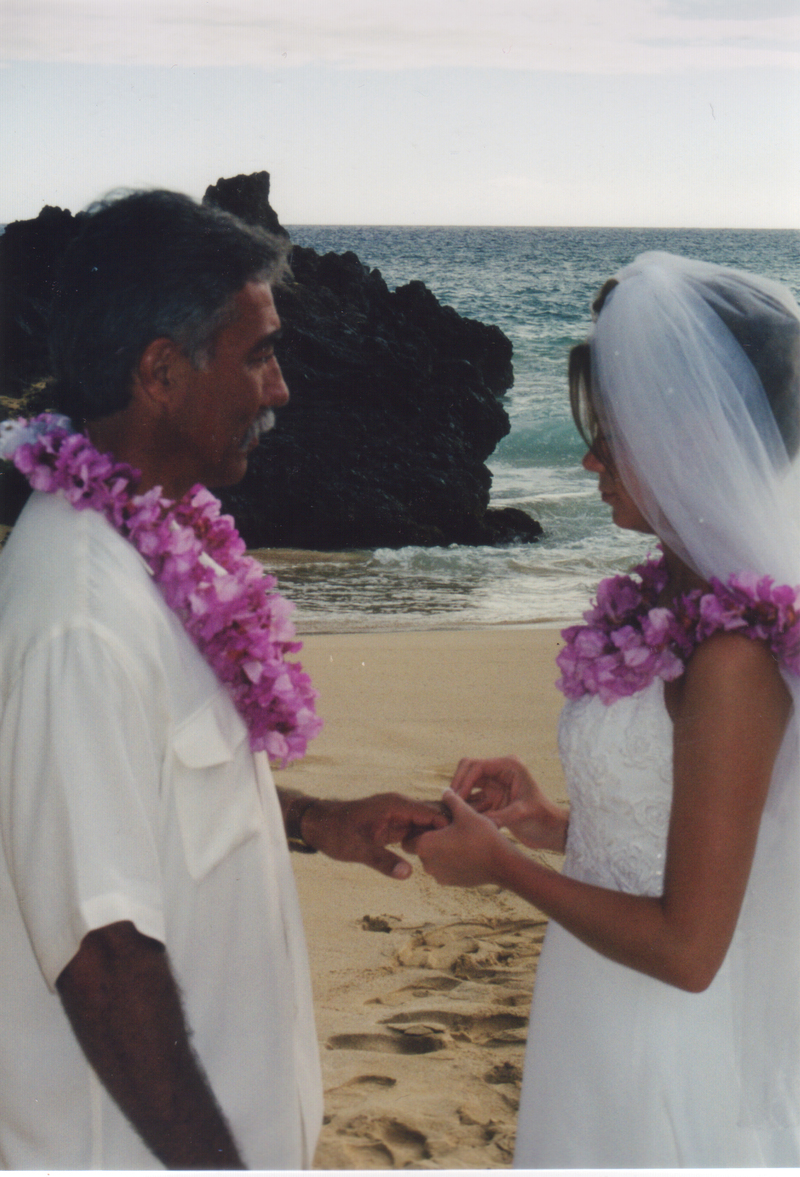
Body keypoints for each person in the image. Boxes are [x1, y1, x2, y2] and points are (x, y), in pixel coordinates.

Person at [0, 189, 446, 1170]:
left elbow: (145, 787)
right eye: (256, 354)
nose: (279, 389)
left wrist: (312, 819)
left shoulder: (148, 550)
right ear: (161, 371)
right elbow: (101, 956)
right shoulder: (80, 614)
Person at [406, 252, 800, 1167]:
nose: (589, 456)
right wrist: (549, 823)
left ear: (690, 436)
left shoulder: (735, 653)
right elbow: (692, 820)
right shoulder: (673, 606)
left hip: (664, 1034)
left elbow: (690, 948)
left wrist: (504, 867)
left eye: (612, 433)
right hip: (594, 998)